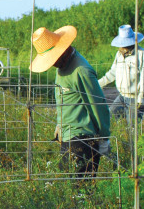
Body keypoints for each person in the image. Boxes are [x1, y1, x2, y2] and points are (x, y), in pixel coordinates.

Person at [30, 26, 111, 178]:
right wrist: (60, 123)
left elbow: (98, 105)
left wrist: (104, 138)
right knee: (67, 187)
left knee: (79, 188)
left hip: (83, 139)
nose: (52, 64)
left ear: (63, 50)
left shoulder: (81, 70)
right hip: (67, 136)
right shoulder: (62, 67)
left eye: (53, 59)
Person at [97, 25, 144, 124]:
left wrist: (141, 96)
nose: (121, 47)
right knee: (109, 118)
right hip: (121, 96)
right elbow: (112, 73)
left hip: (134, 99)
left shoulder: (141, 54)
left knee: (133, 128)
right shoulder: (119, 55)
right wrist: (96, 84)